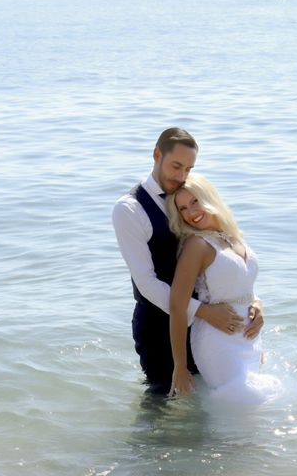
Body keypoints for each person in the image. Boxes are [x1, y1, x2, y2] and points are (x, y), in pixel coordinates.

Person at [112, 128, 264, 394]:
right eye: (176, 166)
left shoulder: (188, 196)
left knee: (210, 406)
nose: (181, 176)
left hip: (212, 328)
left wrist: (252, 301)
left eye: (189, 168)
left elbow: (223, 261)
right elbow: (146, 282)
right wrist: (203, 311)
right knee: (165, 404)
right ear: (157, 155)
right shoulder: (129, 209)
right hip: (160, 326)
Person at [166, 174, 281, 403]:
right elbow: (177, 305)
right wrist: (179, 366)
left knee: (256, 415)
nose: (191, 212)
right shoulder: (196, 244)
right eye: (183, 209)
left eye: (195, 201)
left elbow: (241, 283)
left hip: (248, 338)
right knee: (244, 412)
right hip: (217, 342)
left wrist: (258, 304)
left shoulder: (233, 237)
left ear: (208, 197)